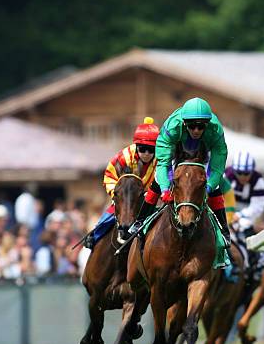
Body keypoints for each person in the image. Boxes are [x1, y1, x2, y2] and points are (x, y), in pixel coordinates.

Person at [133, 97, 230, 245]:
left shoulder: (215, 130)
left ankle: (224, 229)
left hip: (203, 156)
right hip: (176, 155)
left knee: (215, 185)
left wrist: (208, 187)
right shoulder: (172, 127)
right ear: (184, 123)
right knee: (159, 180)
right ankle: (139, 222)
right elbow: (163, 164)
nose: (196, 130)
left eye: (201, 126)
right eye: (192, 126)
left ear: (207, 124)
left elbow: (217, 168)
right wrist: (165, 189)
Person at [83, 117, 159, 249]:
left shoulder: (161, 160)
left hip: (148, 199)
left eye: (151, 150)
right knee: (110, 214)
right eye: (142, 149)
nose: (146, 153)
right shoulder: (124, 157)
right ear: (136, 146)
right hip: (124, 197)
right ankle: (94, 235)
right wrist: (117, 194)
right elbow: (109, 175)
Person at [224, 151, 264, 235]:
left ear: (252, 171)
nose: (243, 177)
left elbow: (257, 206)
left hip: (248, 211)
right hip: (227, 207)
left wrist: (240, 215)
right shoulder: (226, 175)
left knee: (244, 224)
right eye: (239, 173)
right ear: (233, 170)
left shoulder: (258, 181)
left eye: (246, 173)